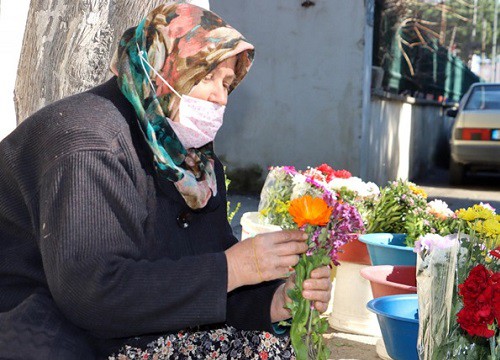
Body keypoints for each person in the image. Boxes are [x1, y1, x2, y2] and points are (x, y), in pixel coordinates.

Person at [0, 2, 332, 359]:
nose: (220, 98)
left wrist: (273, 301)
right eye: (206, 76)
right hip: (35, 325)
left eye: (227, 83)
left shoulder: (189, 162)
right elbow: (93, 293)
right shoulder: (89, 144)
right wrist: (235, 268)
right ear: (160, 67)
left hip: (123, 330)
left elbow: (198, 276)